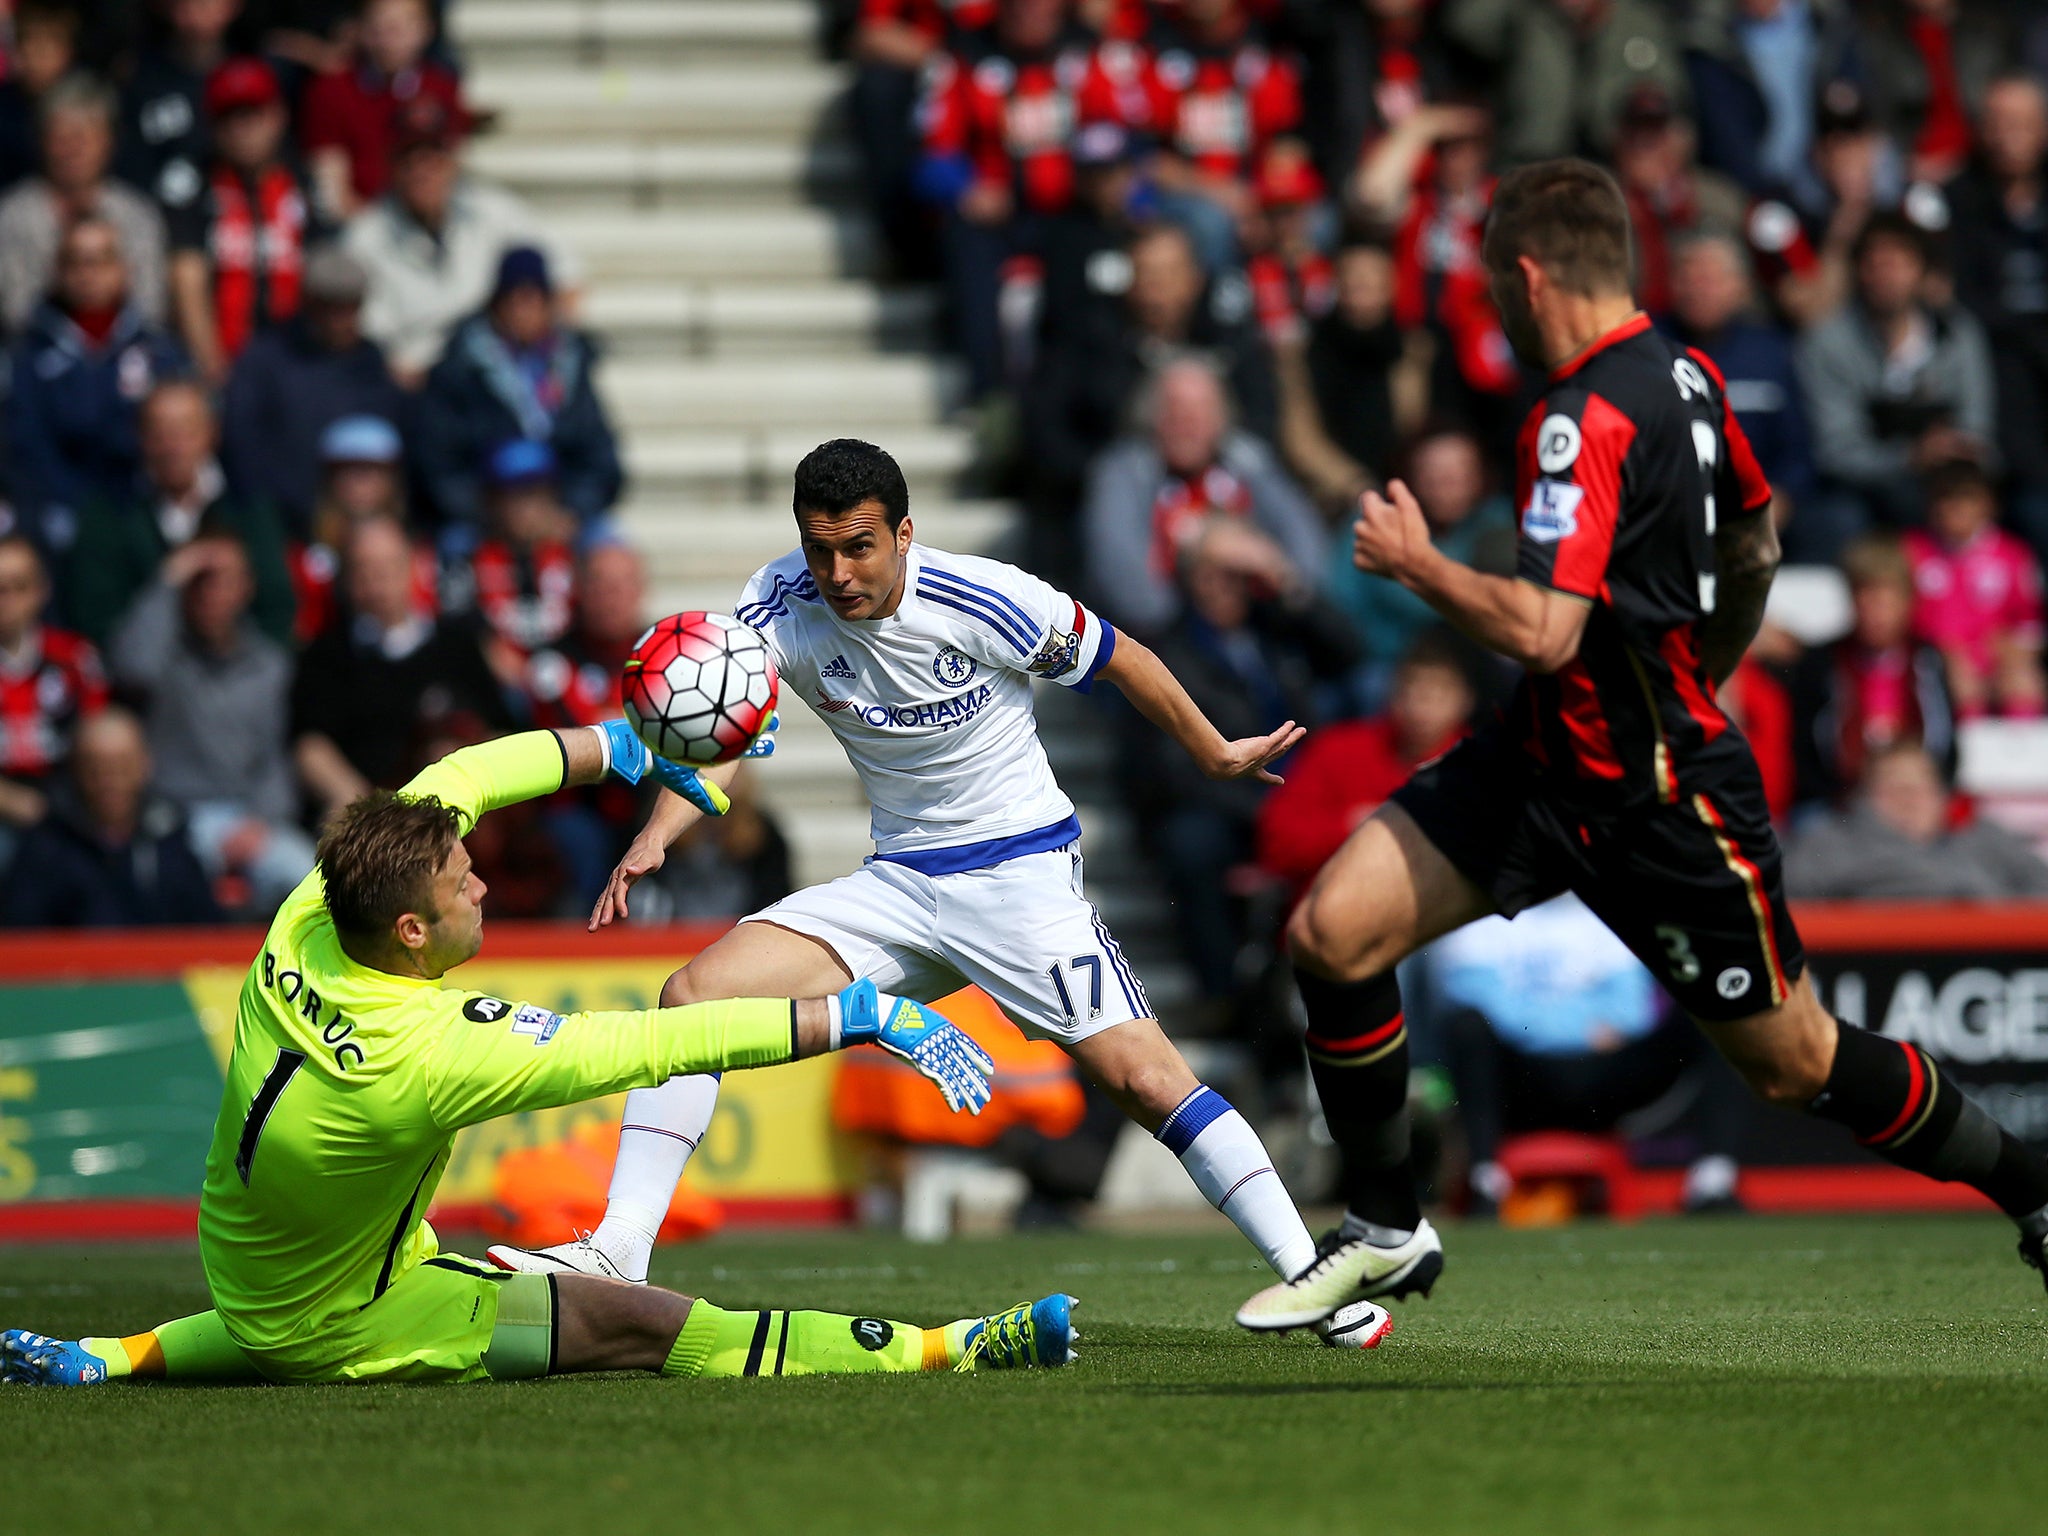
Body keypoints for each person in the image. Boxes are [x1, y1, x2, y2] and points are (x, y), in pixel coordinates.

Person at [1231, 160, 2048, 1333]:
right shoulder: (1693, 374)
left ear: (1523, 276)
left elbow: (1544, 627)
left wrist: (1417, 566)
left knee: (1795, 1062)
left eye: (1493, 291)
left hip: (1658, 796)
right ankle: (1383, 1226)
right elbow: (1756, 542)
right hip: (1540, 761)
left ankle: (2032, 1191)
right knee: (1333, 933)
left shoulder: (1578, 416)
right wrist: (1701, 663)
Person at [488, 438, 1394, 1354]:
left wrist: (1211, 749)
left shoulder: (983, 597)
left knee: (1149, 1082)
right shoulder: (776, 601)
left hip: (1018, 878)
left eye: (860, 547)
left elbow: (1122, 657)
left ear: (905, 534)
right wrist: (658, 830)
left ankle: (1317, 1282)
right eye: (819, 549)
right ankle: (619, 1252)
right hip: (899, 884)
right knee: (692, 997)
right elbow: (730, 716)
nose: (838, 573)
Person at [0, 723, 1074, 1388]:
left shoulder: (314, 915)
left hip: (253, 1265)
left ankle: (112, 1355)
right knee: (648, 1326)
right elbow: (658, 1041)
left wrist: (630, 749)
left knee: (293, 1306)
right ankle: (949, 1349)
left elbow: (466, 772)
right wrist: (862, 1015)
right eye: (458, 884)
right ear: (411, 934)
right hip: (344, 1315)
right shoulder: (424, 1055)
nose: (477, 882)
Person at [1117, 516, 1361, 1006]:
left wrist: (1285, 579)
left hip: (1297, 796)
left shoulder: (1273, 634)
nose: (1225, 587)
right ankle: (1225, 998)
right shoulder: (1164, 651)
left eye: (1237, 574)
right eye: (1212, 573)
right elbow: (1171, 768)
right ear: (1188, 578)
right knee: (1191, 842)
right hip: (1229, 805)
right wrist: (1267, 812)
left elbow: (1351, 657)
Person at [1432, 893, 1750, 1216]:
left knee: (1716, 1010)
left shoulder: (1609, 909)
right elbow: (1476, 1003)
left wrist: (1535, 1018)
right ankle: (1484, 1181)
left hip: (1607, 1081)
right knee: (1467, 1027)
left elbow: (1629, 1010)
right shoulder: (1475, 915)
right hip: (1518, 1081)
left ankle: (1712, 1182)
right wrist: (1582, 1024)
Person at [106, 532, 312, 914]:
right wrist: (169, 578)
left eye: (225, 580)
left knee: (307, 877)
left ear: (247, 587)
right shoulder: (164, 658)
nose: (212, 593)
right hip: (172, 817)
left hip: (251, 816)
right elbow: (129, 665)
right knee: (157, 880)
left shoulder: (270, 666)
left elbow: (275, 757)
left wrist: (261, 821)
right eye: (201, 580)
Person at [1027, 223, 1279, 518]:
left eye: (1170, 273)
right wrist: (1105, 477)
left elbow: (1261, 421)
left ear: (1195, 279)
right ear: (1129, 281)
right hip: (1115, 502)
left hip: (1221, 500)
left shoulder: (1229, 343)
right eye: (1147, 273)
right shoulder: (1090, 342)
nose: (1157, 287)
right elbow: (1048, 430)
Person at [1079, 356, 1325, 639]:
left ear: (1223, 418)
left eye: (1201, 410)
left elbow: (1310, 555)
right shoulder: (1122, 473)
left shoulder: (1248, 461)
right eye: (1175, 409)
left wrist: (1277, 576)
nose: (1188, 423)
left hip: (1263, 630)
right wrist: (1205, 554)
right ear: (1151, 417)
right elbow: (1132, 594)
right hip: (1162, 643)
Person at [1795, 211, 1997, 553]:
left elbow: (1978, 430)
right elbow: (1836, 451)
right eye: (1875, 265)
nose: (1887, 277)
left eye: (1899, 264)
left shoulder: (1959, 335)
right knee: (1836, 519)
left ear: (1921, 271)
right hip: (1861, 490)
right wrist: (1909, 457)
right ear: (1859, 272)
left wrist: (1953, 451)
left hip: (1946, 482)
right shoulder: (1826, 343)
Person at [343, 95, 574, 384]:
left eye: (433, 156)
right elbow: (367, 339)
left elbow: (567, 282)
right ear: (392, 164)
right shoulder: (365, 238)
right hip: (413, 385)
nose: (422, 171)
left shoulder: (494, 211)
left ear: (452, 160)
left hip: (493, 378)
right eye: (409, 158)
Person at [291, 514, 511, 815]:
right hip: (373, 816)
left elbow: (499, 728)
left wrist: (464, 768)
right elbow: (310, 743)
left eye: (387, 568)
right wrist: (360, 805)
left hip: (462, 808)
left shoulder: (457, 644)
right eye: (363, 570)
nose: (376, 583)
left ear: (412, 566)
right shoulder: (325, 655)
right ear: (345, 578)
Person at [3, 216, 188, 559]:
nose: (88, 274)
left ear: (124, 269)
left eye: (101, 260)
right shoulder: (27, 357)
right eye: (75, 261)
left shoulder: (159, 352)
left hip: (144, 521)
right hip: (57, 525)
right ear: (57, 271)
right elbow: (25, 446)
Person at [65, 379, 294, 647]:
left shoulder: (248, 509)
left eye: (186, 432)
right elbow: (97, 620)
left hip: (238, 677)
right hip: (140, 676)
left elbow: (276, 610)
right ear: (139, 436)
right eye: (159, 433)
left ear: (212, 433)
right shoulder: (108, 515)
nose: (173, 447)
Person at [413, 246, 624, 534]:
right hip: (481, 521)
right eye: (513, 299)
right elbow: (440, 465)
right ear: (495, 304)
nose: (522, 310)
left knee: (611, 553)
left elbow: (600, 460)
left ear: (549, 304)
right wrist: (492, 515)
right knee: (453, 547)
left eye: (532, 299)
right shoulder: (459, 369)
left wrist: (570, 511)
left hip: (560, 517)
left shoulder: (571, 368)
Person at [1255, 630, 1478, 896]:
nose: (1421, 708)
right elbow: (1276, 844)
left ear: (1465, 702)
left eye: (1438, 695)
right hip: (1332, 909)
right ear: (1394, 693)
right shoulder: (1336, 748)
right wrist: (1352, 826)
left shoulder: (1478, 766)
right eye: (1413, 690)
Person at [220, 245, 407, 534]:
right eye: (331, 307)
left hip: (362, 527)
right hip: (282, 526)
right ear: (309, 303)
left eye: (351, 307)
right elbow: (243, 447)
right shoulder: (265, 362)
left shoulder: (372, 366)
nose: (341, 319)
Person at [1322, 424, 1513, 698]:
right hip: (1389, 666)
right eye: (1433, 472)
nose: (1446, 483)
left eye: (1458, 472)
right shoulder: (1375, 523)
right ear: (1409, 474)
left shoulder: (1499, 526)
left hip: (1478, 667)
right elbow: (1341, 607)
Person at [166, 56, 321, 385]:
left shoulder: (303, 186)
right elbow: (187, 277)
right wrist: (211, 365)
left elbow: (321, 271)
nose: (242, 129)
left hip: (297, 363)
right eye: (229, 117)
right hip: (220, 366)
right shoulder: (195, 188)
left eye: (253, 114)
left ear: (279, 116)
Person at [1945, 72, 2048, 563]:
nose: (2008, 136)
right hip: (1995, 367)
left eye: (2021, 124)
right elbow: (1958, 297)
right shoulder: (1956, 200)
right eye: (1998, 123)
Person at [0, 705, 219, 927]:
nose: (110, 780)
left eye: (122, 766)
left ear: (144, 765)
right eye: (96, 768)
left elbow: (205, 929)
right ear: (76, 768)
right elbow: (22, 935)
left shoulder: (169, 837)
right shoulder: (47, 843)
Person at [1787, 531, 1957, 809]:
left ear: (1908, 602)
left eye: (1887, 601)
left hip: (1914, 800)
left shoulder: (1927, 661)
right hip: (1839, 803)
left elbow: (1946, 743)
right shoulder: (1822, 662)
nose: (1877, 614)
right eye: (1867, 600)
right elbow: (1806, 748)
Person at [1659, 231, 1813, 519]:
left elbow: (1797, 449)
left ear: (1740, 287)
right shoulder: (1647, 349)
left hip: (1756, 503)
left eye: (1710, 280)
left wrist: (1781, 496)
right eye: (1687, 278)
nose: (1697, 290)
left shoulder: (1772, 354)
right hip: (1669, 505)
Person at [0, 73, 168, 332]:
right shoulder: (13, 216)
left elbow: (150, 308)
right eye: (60, 138)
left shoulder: (137, 215)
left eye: (84, 137)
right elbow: (15, 312)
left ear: (109, 143)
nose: (72, 150)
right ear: (41, 142)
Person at [1786, 739, 2048, 900]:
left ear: (1942, 795)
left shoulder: (1983, 837)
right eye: (1894, 788)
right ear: (1865, 796)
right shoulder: (1830, 844)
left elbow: (2039, 886)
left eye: (1920, 787)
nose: (1909, 800)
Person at [1902, 459, 2046, 719]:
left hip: (1996, 659)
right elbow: (1899, 614)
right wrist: (1941, 649)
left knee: (2023, 680)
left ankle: (2022, 756)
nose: (1954, 508)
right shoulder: (1913, 551)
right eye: (1945, 499)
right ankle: (1964, 756)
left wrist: (2015, 650)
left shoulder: (2013, 555)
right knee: (1960, 681)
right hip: (1934, 662)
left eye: (1965, 499)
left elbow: (2031, 622)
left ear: (1988, 504)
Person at [301, 0, 468, 220]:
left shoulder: (442, 88)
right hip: (357, 229)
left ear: (427, 29)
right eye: (379, 28)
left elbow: (448, 171)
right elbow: (331, 189)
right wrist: (379, 233)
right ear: (361, 30)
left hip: (427, 222)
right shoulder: (330, 90)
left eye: (399, 28)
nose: (389, 39)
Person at [0, 534, 107, 866]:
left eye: (19, 586)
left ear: (41, 591)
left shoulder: (74, 658)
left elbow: (98, 740)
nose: (7, 599)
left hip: (68, 805)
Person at [113, 0, 239, 215]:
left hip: (233, 222)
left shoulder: (250, 75)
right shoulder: (140, 81)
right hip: (157, 220)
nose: (194, 12)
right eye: (184, 4)